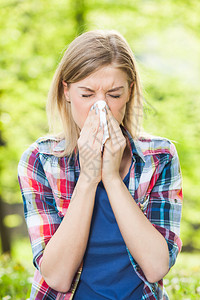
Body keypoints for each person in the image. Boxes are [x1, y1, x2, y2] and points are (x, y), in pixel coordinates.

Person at [18, 29, 183, 300]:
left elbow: (156, 267)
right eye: (87, 94)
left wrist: (112, 178)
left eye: (114, 94)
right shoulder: (40, 160)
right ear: (67, 91)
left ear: (129, 92)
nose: (101, 108)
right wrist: (88, 178)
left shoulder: (160, 157)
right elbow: (57, 278)